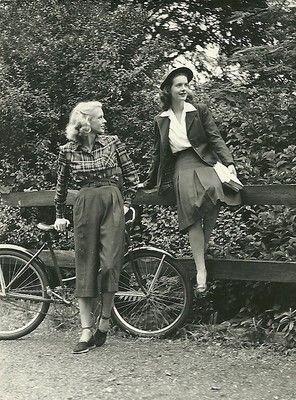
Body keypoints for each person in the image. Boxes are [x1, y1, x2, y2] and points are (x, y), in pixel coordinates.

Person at [140, 67, 241, 294]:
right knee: (192, 209)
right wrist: (148, 181)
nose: (184, 88)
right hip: (182, 165)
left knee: (215, 191)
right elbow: (158, 153)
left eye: (186, 84)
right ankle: (200, 270)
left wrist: (229, 162)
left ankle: (201, 252)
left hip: (205, 162)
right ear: (168, 90)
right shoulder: (160, 120)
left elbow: (215, 138)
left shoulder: (199, 110)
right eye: (179, 85)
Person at [54, 101, 139, 354]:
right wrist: (59, 215)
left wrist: (127, 203)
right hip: (85, 204)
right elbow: (60, 187)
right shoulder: (67, 151)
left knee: (111, 264)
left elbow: (132, 175)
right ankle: (85, 329)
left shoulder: (113, 142)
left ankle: (104, 320)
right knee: (86, 265)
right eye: (99, 117)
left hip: (113, 201)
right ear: (86, 123)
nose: (104, 121)